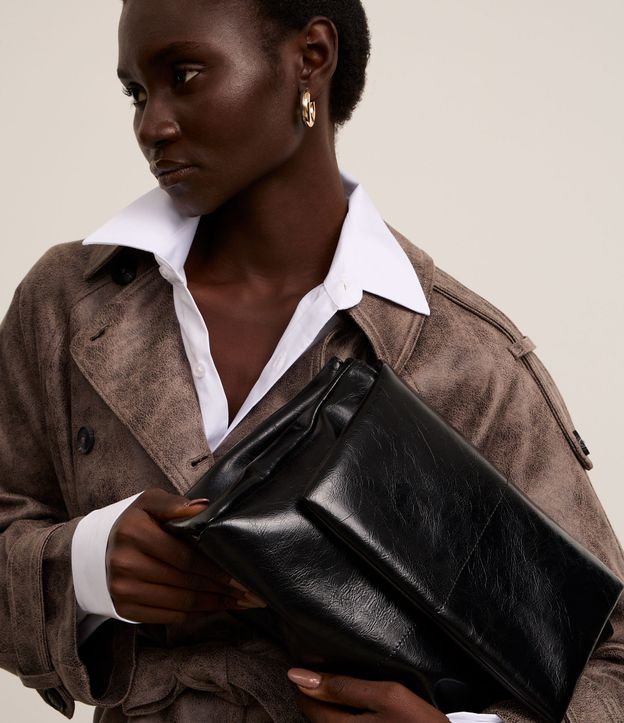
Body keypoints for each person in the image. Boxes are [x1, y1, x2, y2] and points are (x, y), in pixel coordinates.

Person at [0, 0, 622, 721]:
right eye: (137, 93)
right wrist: (84, 565)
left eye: (185, 75)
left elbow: (606, 657)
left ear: (311, 58)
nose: (152, 125)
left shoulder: (461, 356)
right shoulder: (70, 302)